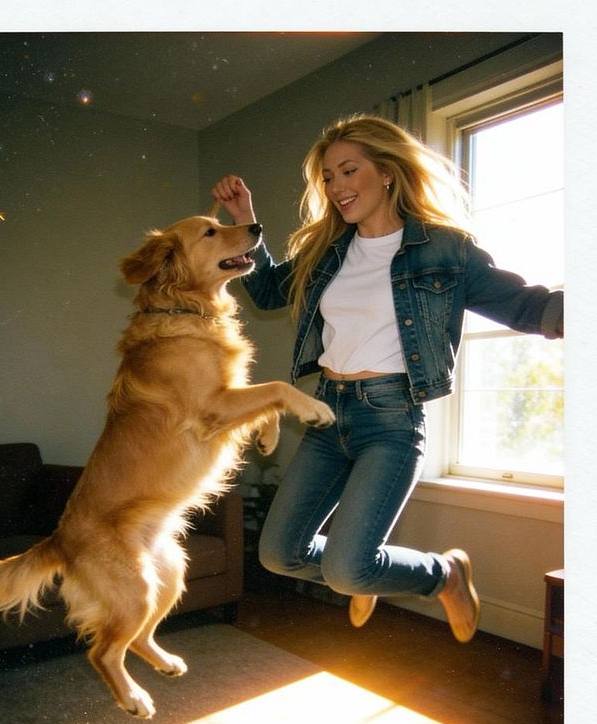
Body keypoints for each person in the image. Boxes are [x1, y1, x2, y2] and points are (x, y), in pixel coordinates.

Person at [211, 114, 563, 643]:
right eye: (328, 177)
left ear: (388, 171)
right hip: (327, 413)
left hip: (392, 421)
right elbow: (265, 292)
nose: (337, 187)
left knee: (348, 570)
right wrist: (245, 218)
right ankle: (364, 570)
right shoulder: (328, 251)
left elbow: (527, 305)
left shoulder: (445, 249)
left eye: (349, 170)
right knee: (279, 554)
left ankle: (441, 574)